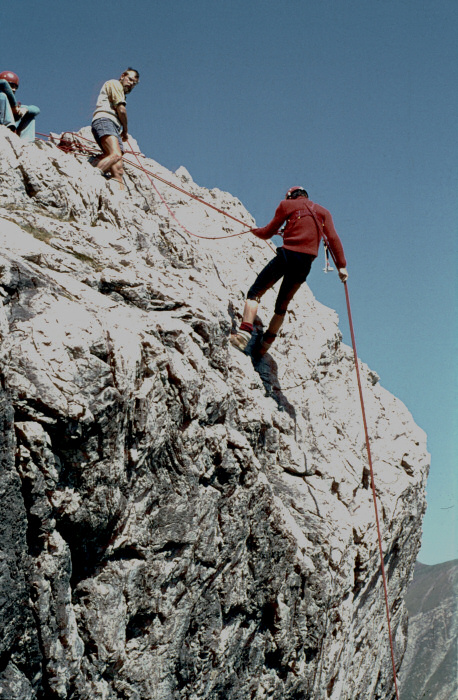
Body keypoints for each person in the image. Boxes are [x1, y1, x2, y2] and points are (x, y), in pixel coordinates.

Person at [230, 186, 348, 357]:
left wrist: (254, 231)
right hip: (305, 263)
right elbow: (333, 238)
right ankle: (265, 345)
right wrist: (342, 266)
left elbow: (267, 232)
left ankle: (243, 335)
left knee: (255, 292)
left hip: (288, 255)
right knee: (282, 305)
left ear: (291, 197)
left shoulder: (286, 205)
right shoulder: (323, 212)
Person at [91, 68, 139, 190]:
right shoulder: (115, 84)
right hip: (105, 120)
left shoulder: (119, 90)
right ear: (123, 75)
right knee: (115, 154)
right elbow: (121, 110)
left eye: (134, 84)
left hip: (112, 125)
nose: (131, 84)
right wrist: (126, 130)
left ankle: (120, 196)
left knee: (118, 171)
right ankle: (90, 176)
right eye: (130, 80)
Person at [0, 71, 40, 142]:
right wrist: (14, 106)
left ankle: (27, 142)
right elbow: (3, 82)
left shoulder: (17, 107)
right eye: (11, 86)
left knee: (29, 114)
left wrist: (25, 109)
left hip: (12, 131)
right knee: (2, 95)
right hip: (2, 126)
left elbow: (36, 109)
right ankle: (6, 127)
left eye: (15, 87)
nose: (14, 89)